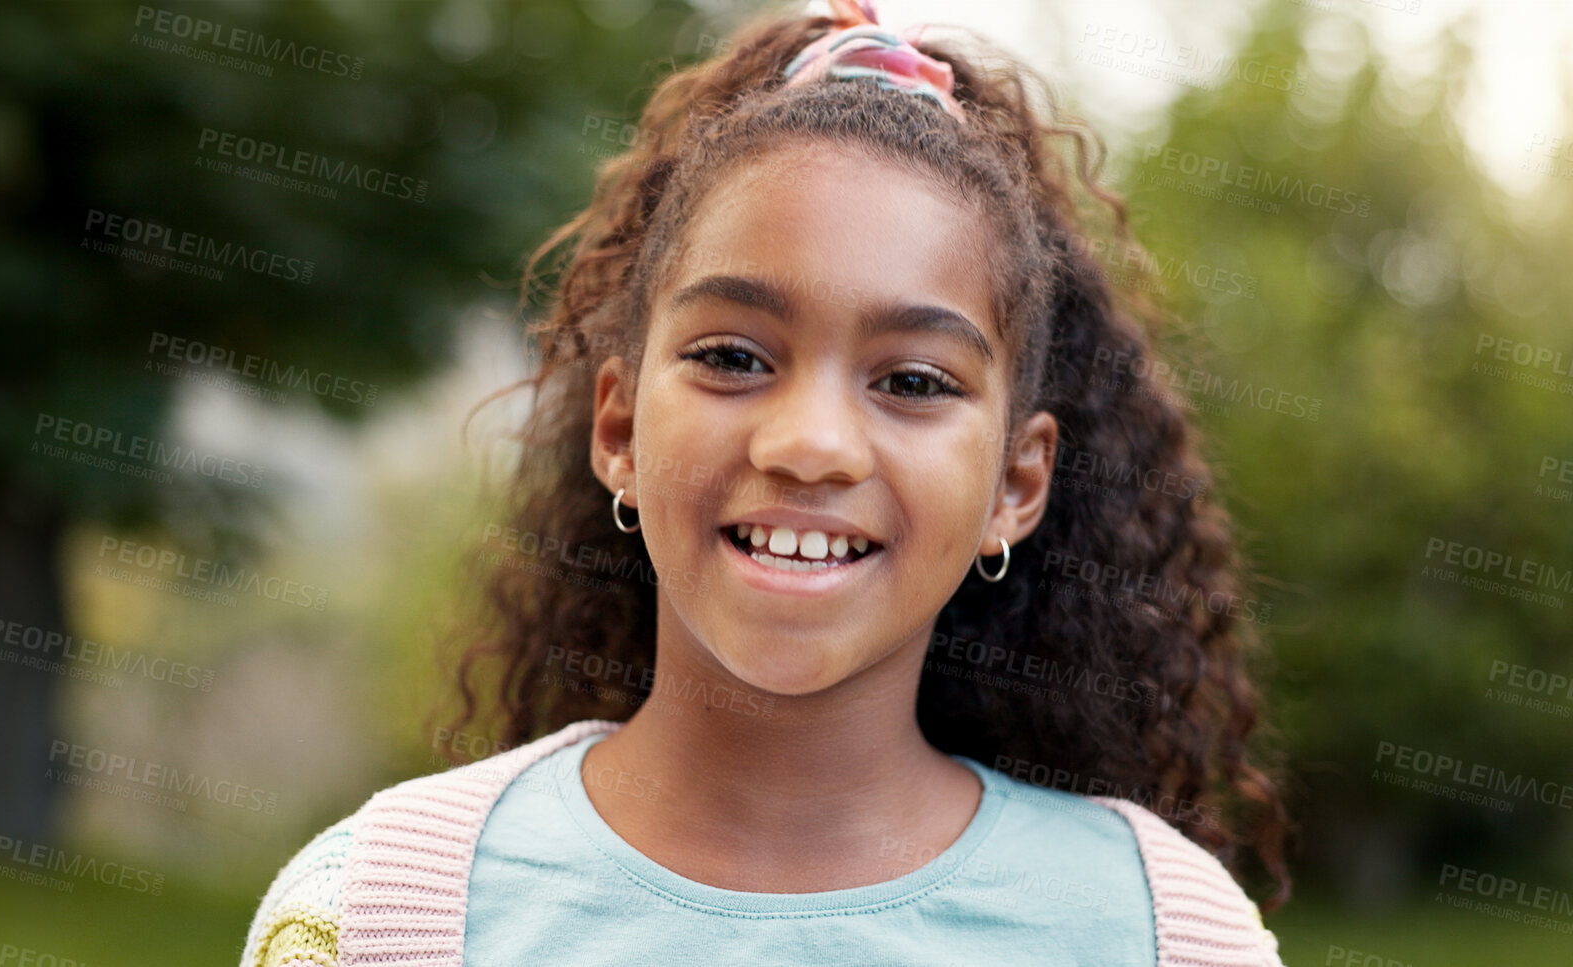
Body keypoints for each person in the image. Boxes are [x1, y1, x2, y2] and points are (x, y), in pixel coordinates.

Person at [239, 1, 1288, 963]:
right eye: (734, 357)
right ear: (618, 428)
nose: (810, 445)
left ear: (1016, 484)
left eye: (913, 380)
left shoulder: (1164, 935)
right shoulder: (373, 914)